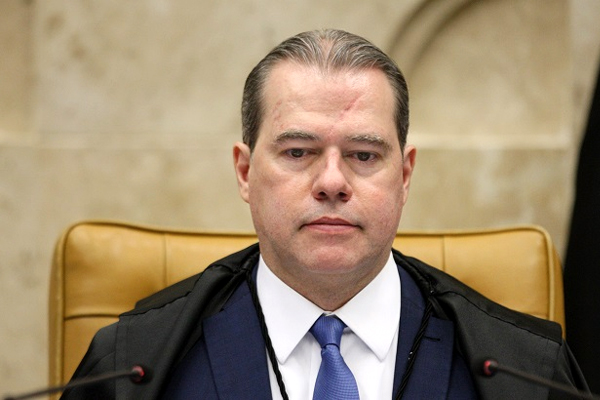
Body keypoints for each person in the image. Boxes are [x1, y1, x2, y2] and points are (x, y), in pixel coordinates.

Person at [63, 29, 588, 399]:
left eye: (364, 155)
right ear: (244, 172)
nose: (332, 182)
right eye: (298, 152)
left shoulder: (526, 373)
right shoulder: (130, 367)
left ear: (405, 175)